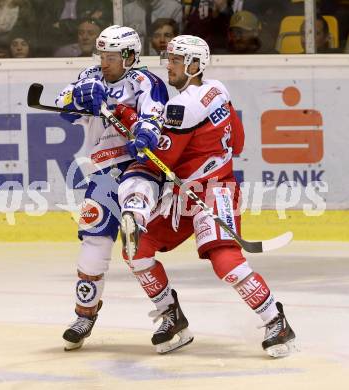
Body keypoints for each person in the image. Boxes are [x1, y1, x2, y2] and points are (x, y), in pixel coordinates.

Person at [115, 34, 296, 357]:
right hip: (188, 193)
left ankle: (276, 321)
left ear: (195, 64)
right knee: (137, 249)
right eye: (167, 59)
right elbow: (237, 143)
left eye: (174, 60)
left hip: (215, 192)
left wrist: (129, 124)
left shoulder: (182, 106)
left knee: (226, 261)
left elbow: (163, 160)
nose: (168, 66)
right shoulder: (217, 91)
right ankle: (171, 317)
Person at [55, 25, 169, 351]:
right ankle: (84, 314)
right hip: (104, 173)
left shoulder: (145, 81)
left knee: (136, 247)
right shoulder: (91, 75)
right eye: (102, 55)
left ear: (131, 56)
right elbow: (61, 106)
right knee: (93, 239)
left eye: (112, 57)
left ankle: (168, 311)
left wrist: (144, 135)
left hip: (139, 170)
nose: (104, 62)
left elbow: (154, 117)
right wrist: (77, 99)